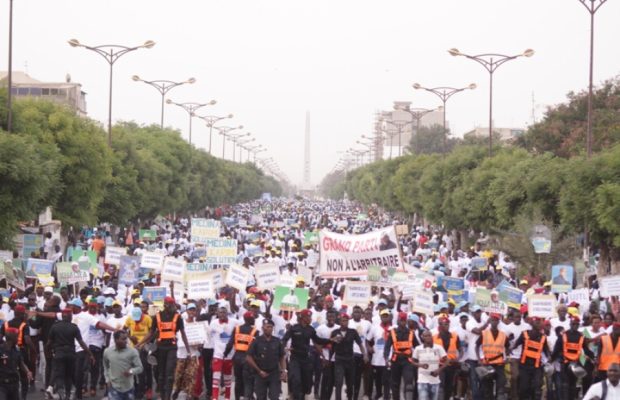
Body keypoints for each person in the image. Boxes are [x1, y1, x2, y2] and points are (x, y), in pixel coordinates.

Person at [138, 296, 190, 400]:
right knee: (161, 375)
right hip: (160, 348)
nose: (173, 306)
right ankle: (162, 396)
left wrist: (188, 351)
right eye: (171, 304)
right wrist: (140, 343)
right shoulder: (157, 317)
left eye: (173, 304)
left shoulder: (178, 317)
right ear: (165, 305)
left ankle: (167, 397)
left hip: (172, 347)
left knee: (170, 375)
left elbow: (183, 334)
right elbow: (151, 332)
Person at [281, 309, 334, 400]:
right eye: (308, 317)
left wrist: (330, 340)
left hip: (306, 358)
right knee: (296, 380)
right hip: (295, 358)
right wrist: (282, 348)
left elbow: (318, 340)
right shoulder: (294, 328)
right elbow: (284, 339)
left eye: (310, 316)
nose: (310, 318)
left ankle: (302, 395)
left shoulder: (311, 329)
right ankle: (293, 395)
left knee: (307, 383)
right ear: (302, 318)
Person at [46, 308, 95, 400]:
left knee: (59, 373)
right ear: (69, 316)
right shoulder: (74, 327)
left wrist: (48, 352)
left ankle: (60, 392)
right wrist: (90, 353)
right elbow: (81, 342)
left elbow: (48, 343)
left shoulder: (55, 327)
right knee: (68, 375)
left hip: (59, 353)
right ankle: (68, 395)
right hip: (71, 354)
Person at [551, 315, 594, 399]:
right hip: (565, 363)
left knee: (573, 384)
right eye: (573, 324)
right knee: (565, 385)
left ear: (578, 325)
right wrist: (552, 359)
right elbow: (556, 349)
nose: (575, 326)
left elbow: (586, 349)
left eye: (577, 324)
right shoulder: (563, 335)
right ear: (570, 324)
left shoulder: (581, 336)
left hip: (575, 363)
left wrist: (593, 357)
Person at [246, 318, 287, 400]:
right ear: (262, 328)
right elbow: (248, 357)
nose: (269, 328)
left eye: (271, 327)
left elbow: (282, 356)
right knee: (260, 397)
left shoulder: (277, 341)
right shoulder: (256, 341)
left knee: (274, 397)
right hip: (260, 374)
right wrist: (259, 371)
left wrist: (284, 371)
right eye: (267, 326)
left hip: (274, 374)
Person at [330, 313, 367, 400]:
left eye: (346, 320)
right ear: (339, 321)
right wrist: (334, 339)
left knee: (350, 383)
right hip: (339, 360)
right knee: (338, 382)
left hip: (350, 360)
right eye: (343, 320)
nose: (345, 322)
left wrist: (364, 354)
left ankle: (349, 397)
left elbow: (360, 344)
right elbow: (330, 345)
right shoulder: (335, 332)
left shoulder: (353, 332)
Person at [510, 317, 549, 400]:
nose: (539, 324)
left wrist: (550, 359)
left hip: (537, 367)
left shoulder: (543, 337)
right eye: (537, 322)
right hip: (524, 366)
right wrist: (508, 350)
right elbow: (515, 345)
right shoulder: (524, 334)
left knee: (537, 388)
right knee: (524, 388)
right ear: (532, 323)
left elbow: (547, 351)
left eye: (540, 322)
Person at [224, 311, 258, 400]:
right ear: (250, 319)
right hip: (248, 358)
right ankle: (247, 397)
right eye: (253, 318)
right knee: (248, 381)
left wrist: (225, 354)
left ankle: (238, 398)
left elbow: (230, 343)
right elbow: (256, 347)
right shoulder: (255, 331)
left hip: (237, 357)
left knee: (238, 380)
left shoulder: (237, 329)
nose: (254, 320)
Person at [384, 312, 416, 400]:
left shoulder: (411, 333)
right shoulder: (393, 332)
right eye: (401, 320)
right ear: (398, 321)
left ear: (406, 321)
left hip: (407, 360)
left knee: (409, 383)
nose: (402, 322)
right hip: (396, 360)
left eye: (404, 320)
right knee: (395, 384)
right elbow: (387, 347)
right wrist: (386, 358)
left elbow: (417, 347)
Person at [476, 313, 509, 399]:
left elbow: (508, 347)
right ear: (490, 321)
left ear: (498, 322)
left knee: (501, 384)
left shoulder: (503, 334)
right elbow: (477, 346)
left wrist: (507, 357)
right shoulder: (484, 333)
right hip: (487, 363)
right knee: (487, 387)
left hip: (499, 364)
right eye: (493, 320)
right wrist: (479, 359)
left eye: (496, 320)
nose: (494, 322)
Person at [103, 331, 143, 400]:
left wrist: (131, 371)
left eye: (126, 339)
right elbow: (106, 366)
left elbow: (140, 367)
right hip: (114, 388)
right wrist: (107, 380)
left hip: (128, 388)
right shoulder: (107, 352)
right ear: (116, 340)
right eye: (123, 339)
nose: (126, 341)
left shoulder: (132, 351)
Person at [412, 330, 447, 400]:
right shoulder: (418, 349)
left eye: (429, 335)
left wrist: (439, 370)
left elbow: (447, 360)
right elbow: (413, 361)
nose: (428, 337)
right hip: (422, 380)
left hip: (435, 380)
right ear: (422, 338)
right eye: (426, 336)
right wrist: (420, 365)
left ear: (432, 336)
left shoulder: (438, 348)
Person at [0, 328, 33, 400]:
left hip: (14, 384)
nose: (18, 338)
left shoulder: (17, 350)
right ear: (12, 338)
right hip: (2, 385)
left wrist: (27, 371)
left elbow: (21, 363)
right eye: (17, 337)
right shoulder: (1, 349)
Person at [432, 316, 460, 400]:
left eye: (446, 324)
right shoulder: (434, 337)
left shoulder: (454, 336)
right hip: (440, 365)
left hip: (452, 365)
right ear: (440, 325)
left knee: (449, 385)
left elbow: (460, 349)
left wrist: (458, 358)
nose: (445, 326)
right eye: (443, 324)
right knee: (441, 384)